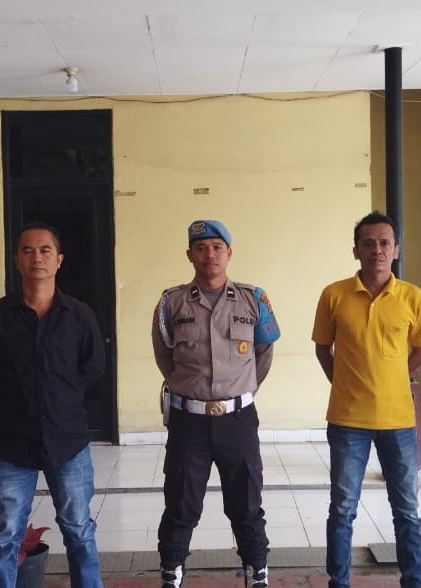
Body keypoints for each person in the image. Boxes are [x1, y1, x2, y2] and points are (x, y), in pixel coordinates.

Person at [0, 222, 105, 588]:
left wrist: (61, 397)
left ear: (59, 260)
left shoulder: (79, 315)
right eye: (28, 251)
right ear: (17, 260)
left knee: (79, 529)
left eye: (45, 250)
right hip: (13, 443)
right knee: (5, 535)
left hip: (68, 441)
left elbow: (93, 367)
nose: (37, 258)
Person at [152, 219, 280, 588]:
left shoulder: (254, 299)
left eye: (217, 247)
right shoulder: (170, 302)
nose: (210, 254)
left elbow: (264, 353)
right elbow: (165, 357)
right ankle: (172, 572)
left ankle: (257, 570)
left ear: (229, 253)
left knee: (246, 503)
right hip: (188, 420)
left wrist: (240, 390)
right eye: (201, 248)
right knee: (181, 502)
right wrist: (191, 389)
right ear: (190, 255)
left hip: (238, 420)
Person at [311, 210, 421, 588]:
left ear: (396, 250)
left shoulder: (413, 297)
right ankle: (339, 581)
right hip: (347, 421)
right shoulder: (334, 295)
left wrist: (395, 378)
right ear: (356, 250)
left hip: (399, 421)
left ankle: (413, 580)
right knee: (342, 509)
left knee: (407, 510)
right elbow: (322, 348)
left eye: (384, 243)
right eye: (368, 243)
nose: (376, 249)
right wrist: (343, 382)